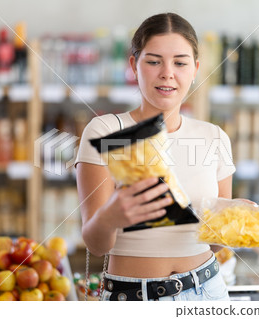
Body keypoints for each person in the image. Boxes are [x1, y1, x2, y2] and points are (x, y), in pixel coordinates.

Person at [75, 12, 236, 301]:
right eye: (153, 61)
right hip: (134, 296)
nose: (167, 73)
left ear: (196, 69)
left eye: (180, 62)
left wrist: (240, 221)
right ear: (134, 66)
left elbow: (214, 242)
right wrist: (110, 218)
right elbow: (95, 244)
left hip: (209, 291)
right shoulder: (107, 130)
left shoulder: (214, 137)